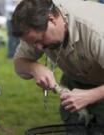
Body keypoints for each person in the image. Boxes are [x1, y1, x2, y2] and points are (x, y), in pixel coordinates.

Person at [11, 0, 104, 134]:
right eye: (33, 43)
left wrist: (90, 96)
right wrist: (34, 67)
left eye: (40, 40)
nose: (39, 48)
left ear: (51, 20)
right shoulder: (34, 26)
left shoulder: (96, 32)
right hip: (75, 80)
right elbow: (19, 63)